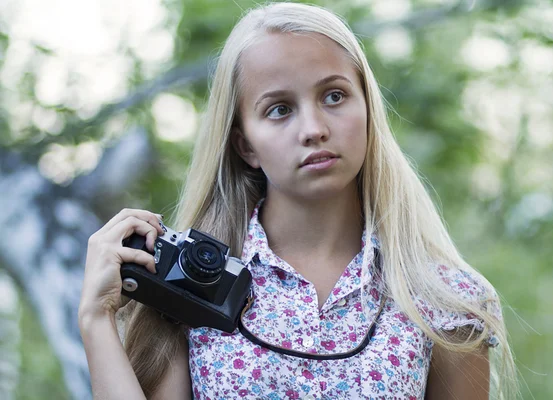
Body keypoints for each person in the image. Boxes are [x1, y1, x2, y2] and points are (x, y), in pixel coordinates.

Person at [78, 2, 518, 399]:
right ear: (244, 144)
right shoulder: (186, 283)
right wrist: (96, 321)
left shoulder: (444, 298)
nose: (313, 128)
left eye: (334, 96)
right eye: (279, 109)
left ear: (368, 108)